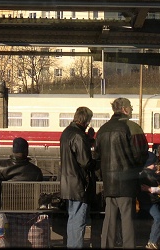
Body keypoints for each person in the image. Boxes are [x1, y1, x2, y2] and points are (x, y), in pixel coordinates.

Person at [95, 97, 148, 249]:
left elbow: (96, 157)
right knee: (127, 220)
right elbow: (141, 154)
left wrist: (103, 174)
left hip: (109, 182)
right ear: (125, 109)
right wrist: (136, 170)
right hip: (127, 181)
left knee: (109, 219)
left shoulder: (103, 129)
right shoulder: (133, 127)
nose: (132, 109)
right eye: (130, 107)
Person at [59, 106, 96, 248]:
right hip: (79, 184)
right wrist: (98, 163)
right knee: (78, 222)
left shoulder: (67, 132)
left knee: (72, 219)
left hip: (68, 182)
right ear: (86, 120)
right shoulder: (78, 136)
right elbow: (85, 162)